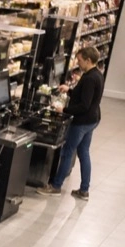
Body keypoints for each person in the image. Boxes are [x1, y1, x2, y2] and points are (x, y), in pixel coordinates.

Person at [37, 47, 104, 200]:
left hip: (82, 122)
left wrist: (64, 109)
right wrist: (69, 90)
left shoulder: (88, 78)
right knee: (83, 152)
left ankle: (55, 186)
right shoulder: (97, 75)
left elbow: (84, 105)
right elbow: (87, 97)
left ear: (88, 60)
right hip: (93, 119)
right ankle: (84, 189)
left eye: (80, 60)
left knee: (67, 152)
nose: (78, 63)